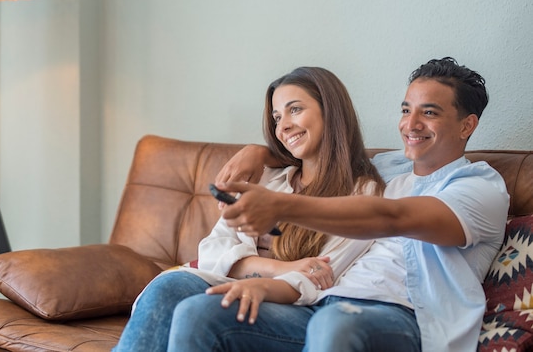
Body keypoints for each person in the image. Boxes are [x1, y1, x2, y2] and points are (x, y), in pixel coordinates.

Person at [167, 57, 510, 352]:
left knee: (335, 324)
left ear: (467, 125)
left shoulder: (479, 188)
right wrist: (258, 152)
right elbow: (326, 151)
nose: (410, 124)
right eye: (406, 110)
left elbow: (393, 217)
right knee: (201, 311)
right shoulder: (391, 166)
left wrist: (279, 206)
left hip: (407, 316)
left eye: (429, 112)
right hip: (320, 303)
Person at [113, 67, 386, 352]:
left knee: (198, 310)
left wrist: (269, 273)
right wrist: (281, 267)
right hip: (233, 281)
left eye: (295, 110)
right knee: (167, 288)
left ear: (330, 111)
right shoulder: (268, 179)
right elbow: (213, 249)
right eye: (277, 117)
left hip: (297, 306)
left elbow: (318, 276)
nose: (283, 127)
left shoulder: (362, 193)